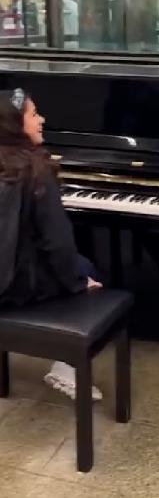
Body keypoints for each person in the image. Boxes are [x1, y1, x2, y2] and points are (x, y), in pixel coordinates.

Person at [0, 88, 103, 401]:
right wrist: (78, 281)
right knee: (86, 267)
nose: (41, 119)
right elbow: (57, 242)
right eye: (33, 114)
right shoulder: (34, 169)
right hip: (12, 286)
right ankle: (65, 365)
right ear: (16, 125)